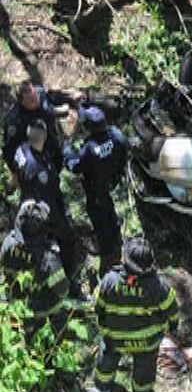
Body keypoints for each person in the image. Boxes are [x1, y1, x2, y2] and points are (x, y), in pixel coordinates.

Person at [94, 237, 179, 392]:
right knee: (145, 369)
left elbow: (97, 306)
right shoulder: (159, 286)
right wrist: (173, 325)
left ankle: (102, 387)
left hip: (114, 338)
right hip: (146, 341)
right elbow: (172, 311)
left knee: (107, 359)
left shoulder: (109, 281)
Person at [14, 119, 81, 298]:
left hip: (28, 201)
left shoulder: (22, 149)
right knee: (67, 238)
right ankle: (67, 279)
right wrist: (59, 222)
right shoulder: (38, 170)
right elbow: (46, 202)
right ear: (42, 139)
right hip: (41, 209)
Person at [63, 106, 127, 280]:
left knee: (99, 217)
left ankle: (107, 249)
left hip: (95, 189)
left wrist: (67, 153)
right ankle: (115, 235)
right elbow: (123, 157)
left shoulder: (90, 149)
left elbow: (76, 167)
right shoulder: (116, 135)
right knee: (109, 208)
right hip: (109, 183)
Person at [0, 200, 69, 334]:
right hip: (40, 311)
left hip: (17, 306)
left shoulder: (8, 243)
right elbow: (62, 289)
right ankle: (54, 344)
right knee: (59, 314)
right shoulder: (48, 258)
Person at [3, 82, 62, 180]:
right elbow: (9, 150)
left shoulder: (40, 92)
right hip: (36, 164)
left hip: (54, 151)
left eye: (36, 96)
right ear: (22, 102)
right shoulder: (15, 121)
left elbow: (53, 97)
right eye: (32, 101)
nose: (37, 101)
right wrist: (15, 173)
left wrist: (71, 97)